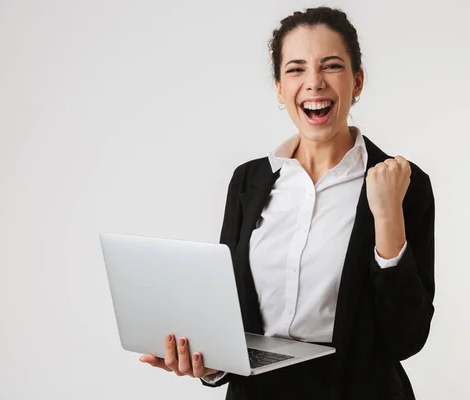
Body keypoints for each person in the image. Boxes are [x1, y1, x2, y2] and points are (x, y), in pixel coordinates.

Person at [140, 6, 435, 400]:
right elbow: (232, 320)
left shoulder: (401, 182)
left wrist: (386, 215)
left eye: (331, 66)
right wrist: (209, 365)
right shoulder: (249, 180)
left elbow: (406, 338)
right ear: (279, 87)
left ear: (357, 81)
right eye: (296, 69)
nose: (314, 83)